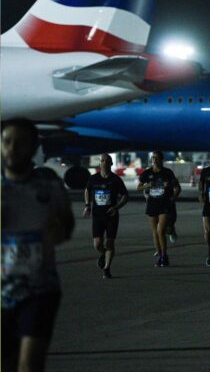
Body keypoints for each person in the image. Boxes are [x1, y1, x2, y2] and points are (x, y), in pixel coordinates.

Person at [2, 119, 75, 372]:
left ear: (34, 147)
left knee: (30, 364)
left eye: (21, 142)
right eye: (7, 141)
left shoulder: (49, 185)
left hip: (40, 288)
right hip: (2, 288)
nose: (13, 148)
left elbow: (67, 225)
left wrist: (58, 232)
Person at [83, 154, 129, 278]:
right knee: (97, 243)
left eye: (107, 161)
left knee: (110, 242)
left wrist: (116, 207)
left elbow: (125, 196)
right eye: (102, 161)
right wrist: (87, 205)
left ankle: (106, 268)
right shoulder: (93, 178)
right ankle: (105, 253)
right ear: (99, 163)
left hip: (111, 215)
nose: (104, 163)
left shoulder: (116, 179)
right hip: (97, 215)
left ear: (111, 164)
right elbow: (87, 190)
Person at [137, 151, 180, 267]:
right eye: (153, 158)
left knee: (161, 230)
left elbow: (177, 188)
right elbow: (138, 187)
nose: (154, 160)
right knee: (155, 232)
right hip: (152, 204)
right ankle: (160, 255)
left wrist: (172, 198)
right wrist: (147, 186)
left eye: (157, 158)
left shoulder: (167, 173)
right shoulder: (147, 173)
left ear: (162, 160)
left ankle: (164, 255)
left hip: (164, 204)